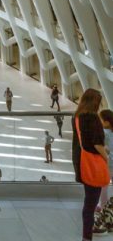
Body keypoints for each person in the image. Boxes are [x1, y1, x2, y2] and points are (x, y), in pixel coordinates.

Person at [72, 89, 107, 241]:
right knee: (91, 203)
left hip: (81, 162)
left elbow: (82, 141)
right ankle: (87, 235)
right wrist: (107, 157)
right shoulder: (93, 118)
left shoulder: (76, 117)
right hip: (93, 164)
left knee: (89, 200)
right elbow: (97, 143)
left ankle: (87, 233)